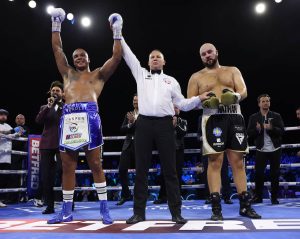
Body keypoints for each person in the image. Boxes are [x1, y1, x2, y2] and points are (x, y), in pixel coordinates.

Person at [110, 13, 210, 224]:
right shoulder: (141, 74)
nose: (155, 58)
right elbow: (127, 54)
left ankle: (176, 213)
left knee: (170, 171)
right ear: (148, 61)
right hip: (144, 124)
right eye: (152, 56)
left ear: (164, 61)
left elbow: (182, 104)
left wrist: (199, 99)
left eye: (158, 56)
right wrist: (118, 30)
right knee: (141, 171)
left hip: (165, 125)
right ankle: (138, 213)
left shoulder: (171, 81)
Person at [47, 8, 122, 224]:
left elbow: (116, 57)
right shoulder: (67, 74)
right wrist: (56, 24)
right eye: (76, 56)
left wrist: (117, 31)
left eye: (82, 55)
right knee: (68, 166)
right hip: (69, 118)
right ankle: (66, 211)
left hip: (90, 118)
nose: (78, 58)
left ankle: (104, 210)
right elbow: (57, 48)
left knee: (96, 165)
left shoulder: (98, 74)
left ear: (88, 58)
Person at [187, 43, 261, 220]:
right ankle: (216, 209)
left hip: (234, 116)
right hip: (212, 119)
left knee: (237, 162)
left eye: (209, 52)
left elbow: (243, 90)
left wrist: (235, 96)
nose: (207, 55)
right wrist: (202, 101)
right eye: (203, 54)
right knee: (214, 163)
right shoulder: (196, 77)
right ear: (201, 57)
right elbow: (189, 102)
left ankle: (245, 206)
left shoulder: (232, 70)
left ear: (217, 52)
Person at [247, 94, 284, 204]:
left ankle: (274, 198)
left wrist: (271, 128)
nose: (266, 103)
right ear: (259, 103)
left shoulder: (276, 116)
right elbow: (249, 133)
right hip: (261, 149)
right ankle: (258, 197)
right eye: (263, 101)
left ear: (270, 103)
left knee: (275, 174)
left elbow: (281, 131)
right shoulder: (253, 117)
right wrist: (257, 130)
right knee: (258, 174)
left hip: (275, 149)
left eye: (267, 101)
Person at [35, 81, 64, 214]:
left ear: (62, 94)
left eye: (58, 90)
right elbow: (38, 121)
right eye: (53, 90)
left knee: (64, 172)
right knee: (46, 176)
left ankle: (70, 203)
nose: (55, 92)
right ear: (50, 93)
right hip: (46, 145)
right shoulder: (44, 107)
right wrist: (48, 106)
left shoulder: (66, 107)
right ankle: (50, 206)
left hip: (62, 144)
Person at [153, 106, 187, 204]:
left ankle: (177, 197)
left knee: (178, 174)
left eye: (177, 108)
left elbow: (183, 132)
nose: (175, 109)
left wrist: (175, 125)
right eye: (174, 107)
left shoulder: (183, 121)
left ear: (179, 110)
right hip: (166, 150)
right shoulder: (165, 121)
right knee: (164, 173)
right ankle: (162, 196)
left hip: (178, 150)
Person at [197, 115, 233, 204]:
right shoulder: (201, 117)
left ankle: (227, 196)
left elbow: (228, 132)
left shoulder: (222, 116)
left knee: (224, 172)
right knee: (208, 173)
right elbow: (199, 134)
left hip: (221, 146)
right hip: (207, 148)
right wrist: (203, 138)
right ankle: (210, 196)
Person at [116, 93, 138, 206]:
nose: (135, 102)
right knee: (121, 169)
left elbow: (144, 128)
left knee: (141, 172)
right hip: (128, 145)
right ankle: (126, 194)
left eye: (137, 100)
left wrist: (134, 122)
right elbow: (122, 128)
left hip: (140, 145)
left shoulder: (145, 114)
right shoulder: (129, 114)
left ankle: (139, 196)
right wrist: (129, 125)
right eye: (134, 100)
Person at [0, 109, 22, 207]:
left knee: (4, 178)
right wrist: (10, 133)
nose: (4, 116)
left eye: (5, 115)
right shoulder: (9, 128)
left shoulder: (8, 126)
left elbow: (11, 135)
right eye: (1, 115)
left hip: (7, 157)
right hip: (0, 155)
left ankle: (1, 199)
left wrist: (18, 134)